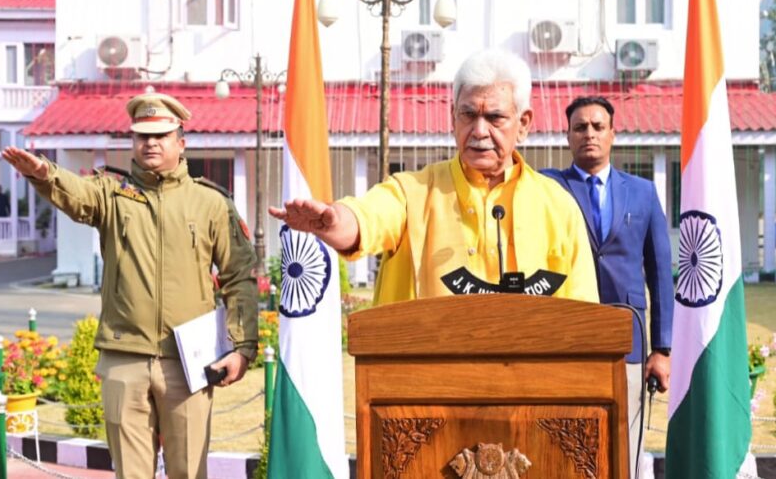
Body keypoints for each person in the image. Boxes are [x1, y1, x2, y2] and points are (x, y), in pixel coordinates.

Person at [1, 91, 258, 479]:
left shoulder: (210, 203)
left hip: (187, 363)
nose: (150, 143)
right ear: (133, 143)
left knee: (189, 472)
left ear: (180, 142)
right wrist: (44, 174)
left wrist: (242, 347)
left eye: (161, 135)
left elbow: (240, 276)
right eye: (142, 136)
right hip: (125, 360)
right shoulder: (113, 195)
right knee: (130, 474)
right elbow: (78, 194)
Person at [270, 48, 598, 305]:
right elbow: (369, 216)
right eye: (468, 114)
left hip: (533, 385)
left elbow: (584, 315)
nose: (479, 131)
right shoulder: (413, 192)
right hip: (427, 383)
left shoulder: (557, 205)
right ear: (452, 118)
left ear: (524, 124)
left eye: (495, 117)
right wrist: (334, 222)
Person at [541, 96, 673, 478]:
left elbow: (660, 273)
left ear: (614, 134)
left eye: (598, 127)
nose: (589, 134)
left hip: (628, 344)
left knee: (625, 444)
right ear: (567, 136)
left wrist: (662, 349)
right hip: (566, 342)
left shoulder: (643, 193)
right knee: (567, 441)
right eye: (580, 127)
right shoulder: (549, 188)